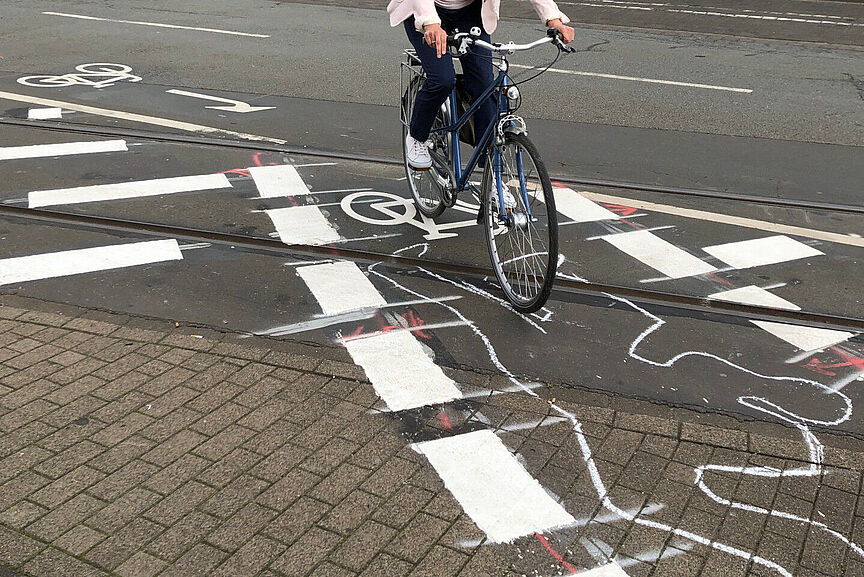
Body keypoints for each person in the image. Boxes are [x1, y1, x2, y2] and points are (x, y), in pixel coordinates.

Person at [388, 0, 575, 169]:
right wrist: (431, 23)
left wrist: (554, 21)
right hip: (425, 9)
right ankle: (417, 137)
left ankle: (491, 176)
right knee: (442, 79)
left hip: (471, 12)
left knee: (485, 86)